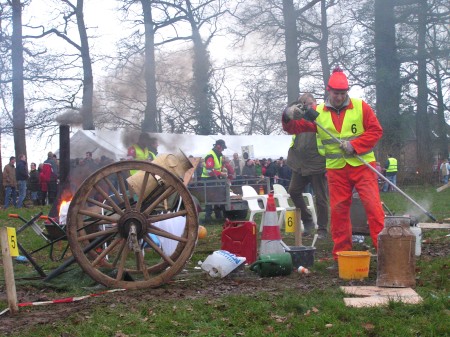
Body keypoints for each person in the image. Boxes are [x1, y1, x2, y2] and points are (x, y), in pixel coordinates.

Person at [282, 67, 385, 263]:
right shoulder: (317, 113)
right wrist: (288, 114)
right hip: (337, 170)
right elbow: (294, 128)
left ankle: (385, 253)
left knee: (373, 208)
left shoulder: (361, 107)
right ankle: (341, 256)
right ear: (328, 91)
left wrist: (355, 145)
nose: (339, 97)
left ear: (347, 92)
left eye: (342, 93)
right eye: (336, 93)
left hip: (363, 167)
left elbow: (375, 131)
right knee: (338, 213)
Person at [285, 93, 329, 238]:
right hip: (300, 164)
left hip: (317, 164)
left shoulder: (321, 115)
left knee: (321, 198)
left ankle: (322, 228)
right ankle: (308, 220)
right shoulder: (299, 120)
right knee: (293, 191)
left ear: (315, 102)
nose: (306, 106)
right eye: (302, 103)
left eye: (308, 103)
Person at [200, 139, 228, 223]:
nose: (223, 150)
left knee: (217, 197)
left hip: (214, 178)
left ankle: (218, 216)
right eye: (222, 148)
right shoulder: (210, 155)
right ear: (218, 146)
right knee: (210, 198)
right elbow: (209, 171)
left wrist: (222, 169)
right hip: (208, 179)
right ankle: (207, 218)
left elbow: (217, 167)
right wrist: (221, 173)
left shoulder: (218, 154)